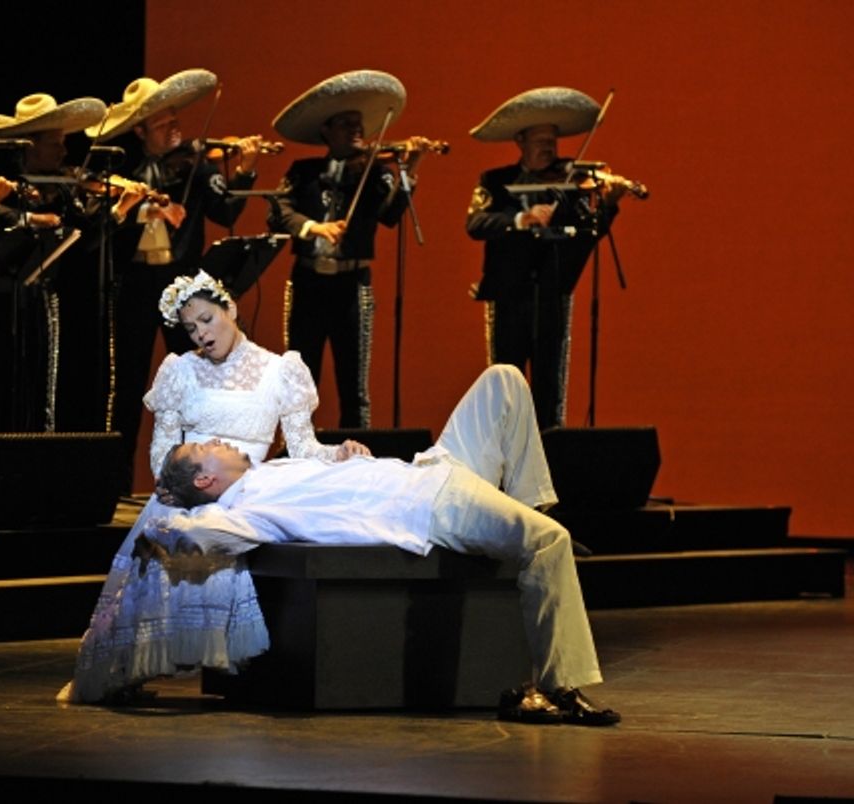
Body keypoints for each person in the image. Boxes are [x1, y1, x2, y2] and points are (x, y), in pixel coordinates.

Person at [156, 363, 620, 726]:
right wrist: (169, 514)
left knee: (504, 381)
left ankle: (534, 514)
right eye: (205, 446)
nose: (217, 439)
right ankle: (558, 687)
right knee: (548, 543)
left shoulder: (269, 472)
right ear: (205, 477)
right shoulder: (243, 510)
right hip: (431, 503)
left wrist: (347, 461)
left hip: (429, 469)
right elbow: (197, 536)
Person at [60, 270, 369, 704]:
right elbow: (161, 454)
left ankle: (244, 670)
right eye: (190, 328)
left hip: (249, 489)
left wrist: (338, 453)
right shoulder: (180, 370)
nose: (201, 335)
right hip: (191, 487)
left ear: (232, 310)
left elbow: (302, 447)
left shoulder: (281, 370)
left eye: (207, 320)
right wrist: (192, 487)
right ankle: (130, 670)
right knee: (170, 534)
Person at [90, 69, 265, 491]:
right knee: (127, 385)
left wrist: (243, 170)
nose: (175, 128)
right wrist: (129, 207)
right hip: (133, 284)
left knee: (193, 384)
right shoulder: (119, 169)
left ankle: (196, 480)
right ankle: (112, 485)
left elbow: (225, 212)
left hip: (180, 289)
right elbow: (98, 231)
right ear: (140, 129)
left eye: (175, 118)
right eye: (163, 122)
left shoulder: (196, 167)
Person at [466, 86, 628, 430]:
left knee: (549, 386)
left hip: (552, 295)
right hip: (507, 294)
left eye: (552, 144)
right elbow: (476, 223)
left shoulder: (570, 183)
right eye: (540, 143)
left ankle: (550, 458)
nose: (549, 151)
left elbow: (590, 231)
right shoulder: (495, 182)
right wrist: (521, 220)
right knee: (505, 385)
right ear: (520, 143)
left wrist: (610, 204)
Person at [269, 70, 424, 428]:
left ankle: (357, 454)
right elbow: (278, 211)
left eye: (359, 124)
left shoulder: (375, 172)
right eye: (345, 124)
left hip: (352, 285)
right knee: (300, 377)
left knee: (354, 381)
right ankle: (295, 453)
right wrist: (313, 228)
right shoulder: (304, 171)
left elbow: (389, 215)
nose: (357, 130)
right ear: (326, 131)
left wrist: (410, 170)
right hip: (308, 281)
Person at [0, 92, 109, 435]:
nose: (63, 152)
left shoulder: (62, 189)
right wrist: (25, 217)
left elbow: (83, 237)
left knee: (41, 386)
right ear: (29, 146)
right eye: (55, 143)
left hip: (43, 300)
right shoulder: (2, 182)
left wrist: (112, 212)